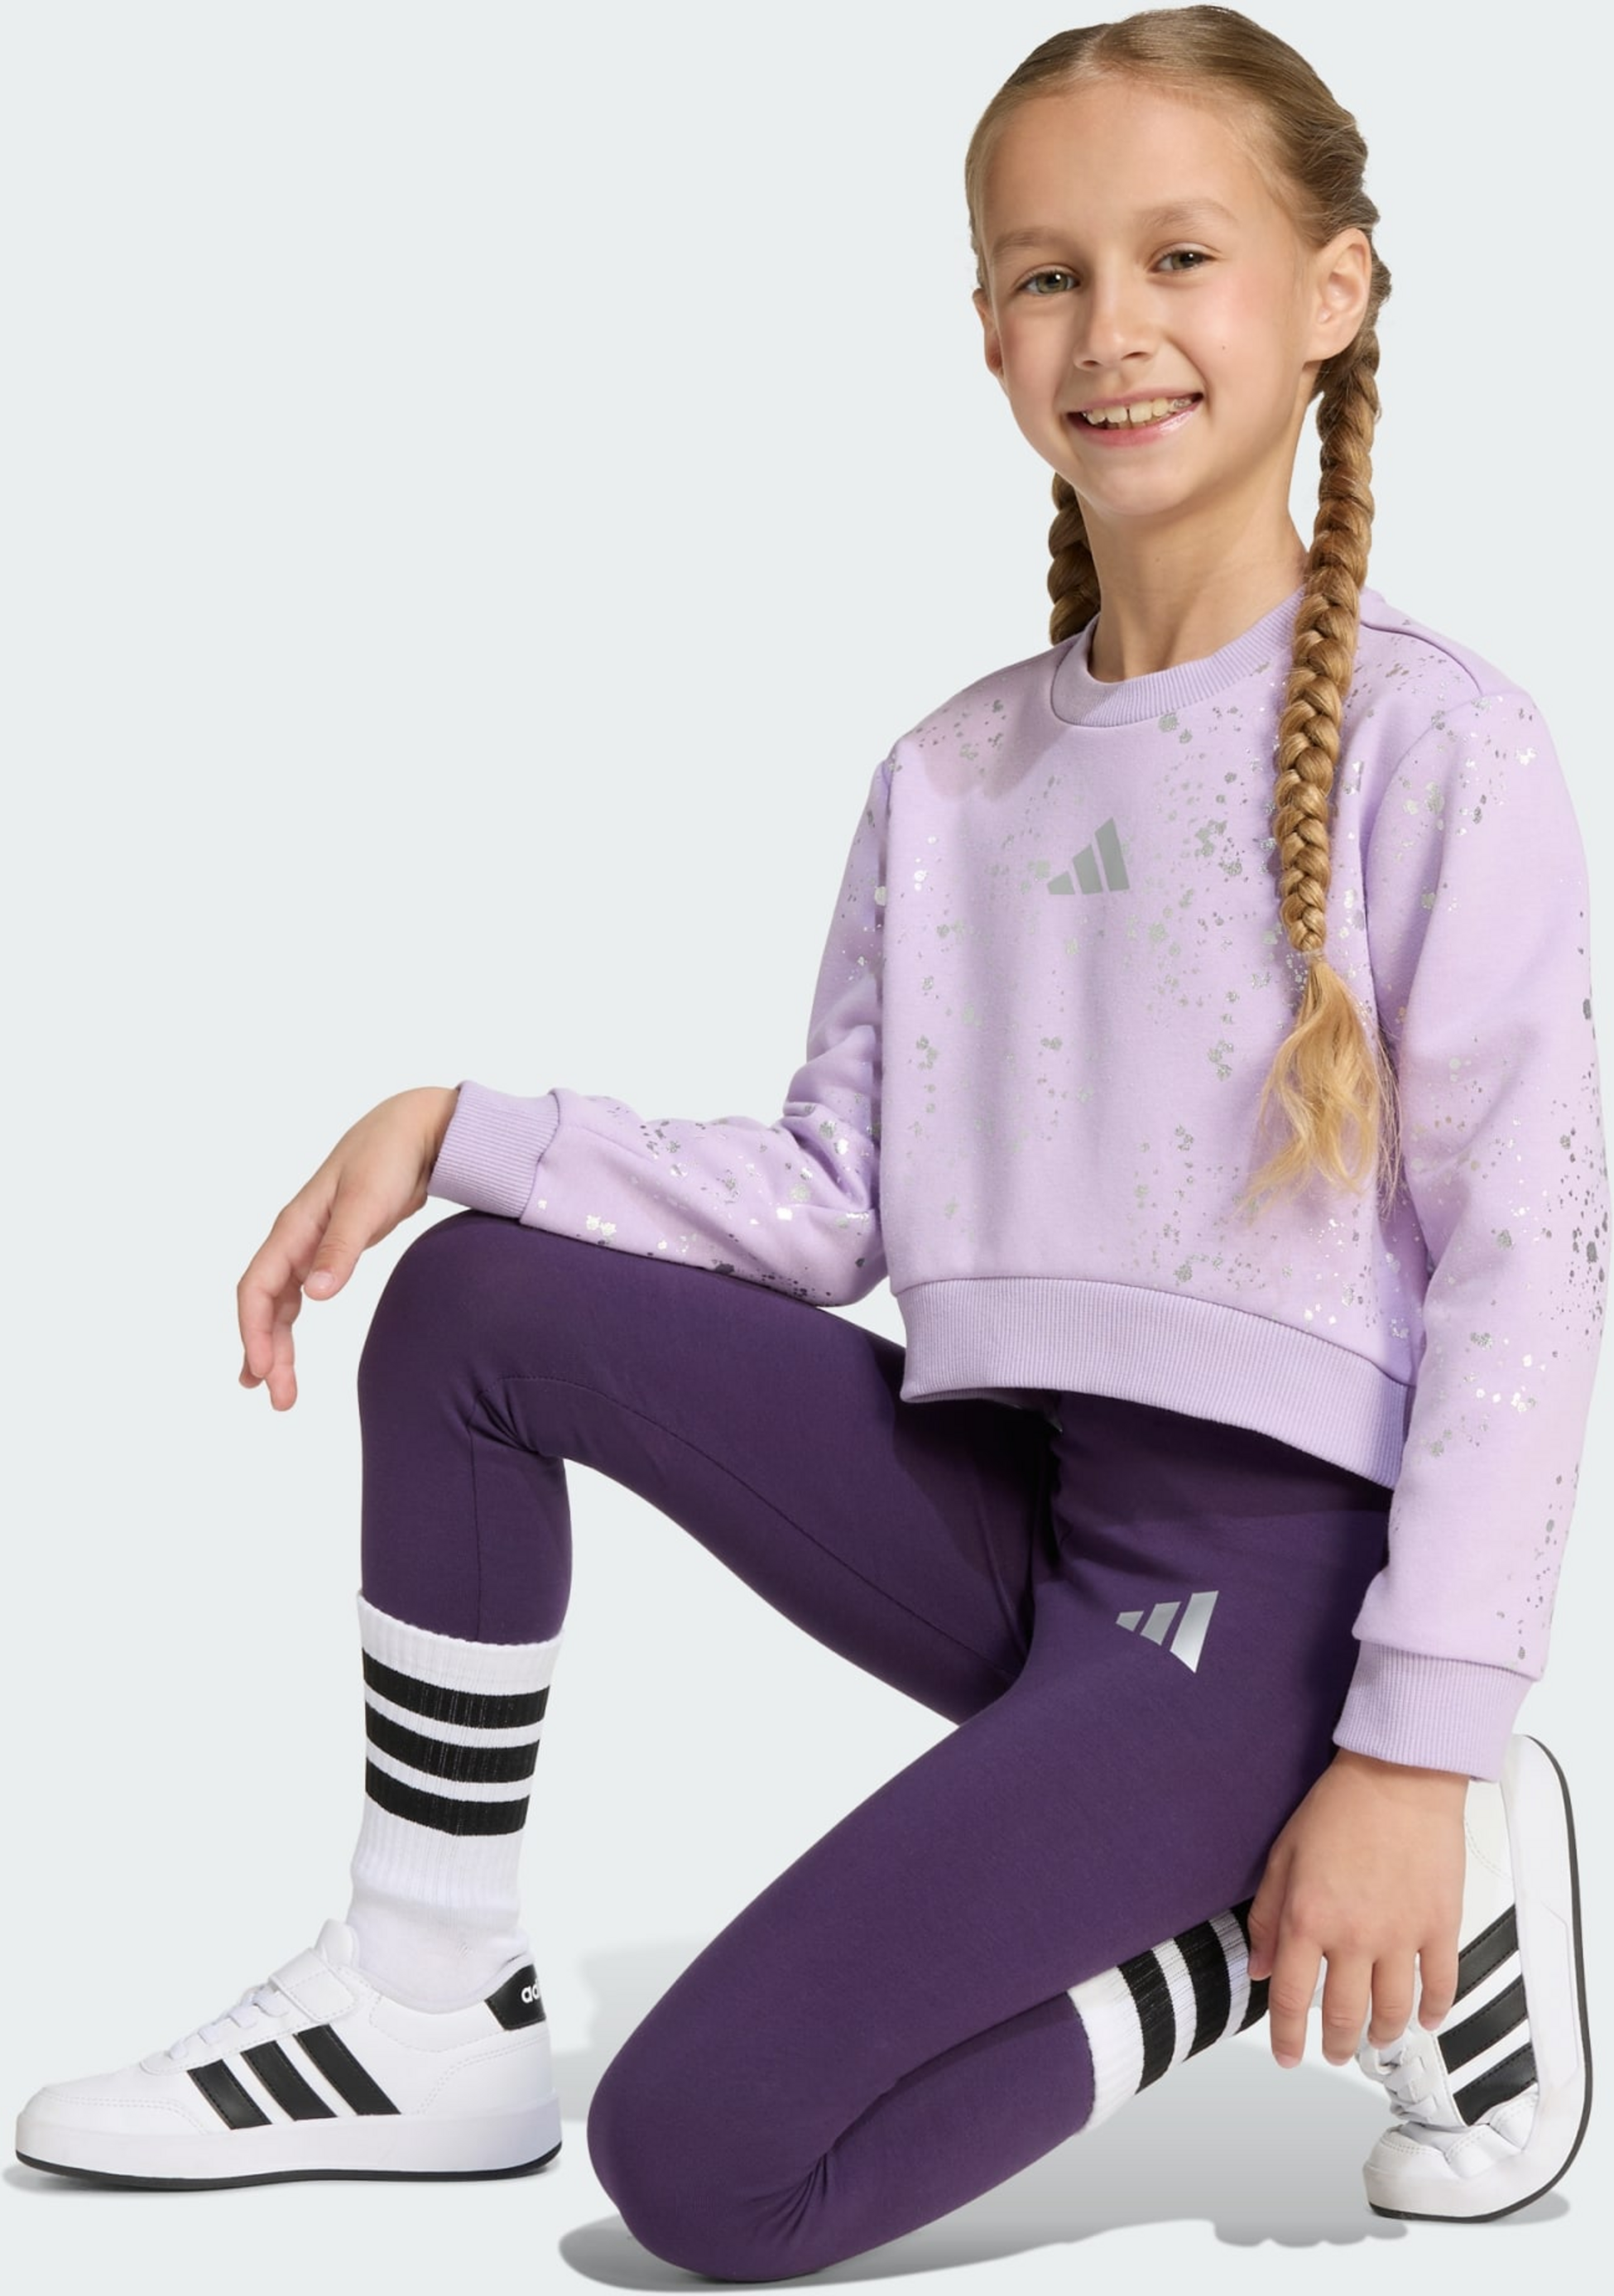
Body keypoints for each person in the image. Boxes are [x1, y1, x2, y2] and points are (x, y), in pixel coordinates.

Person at [15, 1, 1603, 2261]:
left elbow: (1533, 1279)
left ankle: (1267, 1937)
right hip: (1028, 1517)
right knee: (475, 1308)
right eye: (1046, 272)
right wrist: (458, 1124)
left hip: (1266, 1604)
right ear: (984, 328)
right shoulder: (952, 775)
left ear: (1331, 293)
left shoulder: (1447, 752)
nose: (1111, 325)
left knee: (704, 2163)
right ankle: (424, 1991)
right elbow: (835, 1197)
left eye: (1181, 256)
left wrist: (1413, 1747)